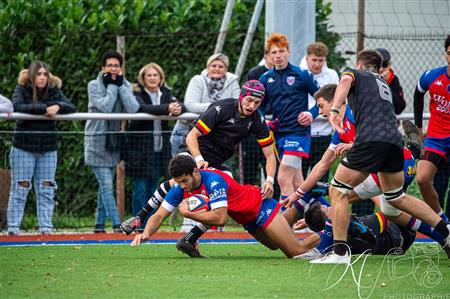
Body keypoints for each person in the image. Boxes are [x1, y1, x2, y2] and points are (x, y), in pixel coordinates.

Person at [312, 49, 450, 264]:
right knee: (396, 198)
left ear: (359, 64)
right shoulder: (383, 83)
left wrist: (335, 110)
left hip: (371, 140)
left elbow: (346, 80)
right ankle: (446, 228)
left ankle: (339, 253)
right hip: (395, 142)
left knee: (338, 191)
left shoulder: (356, 74)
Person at [282, 84, 447, 251]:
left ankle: (334, 251)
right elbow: (323, 164)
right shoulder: (340, 129)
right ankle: (444, 235)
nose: (319, 111)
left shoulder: (354, 114)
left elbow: (376, 139)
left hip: (396, 165)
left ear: (334, 101)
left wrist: (352, 145)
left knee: (338, 195)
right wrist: (298, 193)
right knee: (391, 209)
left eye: (321, 105)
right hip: (388, 167)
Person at [122, 80, 277, 257]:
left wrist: (270, 180)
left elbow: (270, 155)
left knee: (222, 196)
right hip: (193, 151)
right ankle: (139, 217)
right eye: (249, 100)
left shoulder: (257, 119)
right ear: (241, 96)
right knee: (177, 182)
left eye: (257, 103)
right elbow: (191, 136)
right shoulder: (222, 108)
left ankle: (190, 238)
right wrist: (199, 159)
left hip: (217, 162)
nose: (252, 106)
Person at [130, 154, 312, 258]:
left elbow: (220, 217)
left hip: (259, 205)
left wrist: (188, 213)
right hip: (247, 220)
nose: (183, 186)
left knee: (294, 251)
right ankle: (303, 207)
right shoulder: (180, 188)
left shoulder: (213, 180)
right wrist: (146, 233)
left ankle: (331, 234)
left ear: (195, 172)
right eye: (179, 182)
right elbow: (159, 215)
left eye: (185, 180)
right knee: (274, 246)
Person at [7, 61, 76, 235]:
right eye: (39, 74)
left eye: (45, 74)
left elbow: (71, 107)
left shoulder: (53, 90)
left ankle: (46, 228)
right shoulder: (21, 89)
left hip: (48, 149)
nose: (43, 77)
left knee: (46, 189)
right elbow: (18, 106)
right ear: (32, 75)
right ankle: (13, 229)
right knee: (20, 188)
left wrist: (58, 106)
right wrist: (45, 109)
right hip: (23, 147)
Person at [259, 32, 319, 205]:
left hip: (298, 133)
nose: (278, 56)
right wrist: (265, 122)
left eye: (281, 51)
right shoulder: (265, 78)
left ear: (289, 52)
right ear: (269, 56)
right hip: (279, 134)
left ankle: (284, 223)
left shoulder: (302, 74)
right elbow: (259, 108)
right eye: (274, 52)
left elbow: (322, 99)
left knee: (283, 177)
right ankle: (319, 214)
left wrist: (311, 114)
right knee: (297, 183)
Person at [123, 63, 185, 228]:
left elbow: (181, 105)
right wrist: (166, 108)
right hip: (140, 151)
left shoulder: (166, 93)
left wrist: (177, 108)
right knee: (140, 189)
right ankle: (136, 223)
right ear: (143, 78)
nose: (152, 78)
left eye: (155, 75)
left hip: (160, 150)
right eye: (148, 75)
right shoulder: (136, 93)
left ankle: (149, 224)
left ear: (160, 78)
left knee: (154, 190)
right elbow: (141, 108)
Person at [84, 50, 139, 233]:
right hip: (96, 142)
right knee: (107, 185)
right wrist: (113, 86)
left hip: (114, 143)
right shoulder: (93, 85)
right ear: (103, 68)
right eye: (110, 65)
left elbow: (132, 108)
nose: (113, 68)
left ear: (121, 68)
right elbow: (106, 107)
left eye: (116, 65)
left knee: (104, 186)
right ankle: (117, 224)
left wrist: (121, 84)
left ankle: (99, 225)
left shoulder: (125, 84)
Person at [170, 53, 240, 157]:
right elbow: (190, 105)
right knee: (182, 169)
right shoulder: (197, 80)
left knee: (210, 169)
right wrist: (219, 109)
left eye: (221, 66)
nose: (217, 69)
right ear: (207, 67)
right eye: (213, 65)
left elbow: (237, 104)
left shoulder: (233, 82)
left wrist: (217, 110)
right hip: (186, 131)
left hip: (216, 134)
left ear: (226, 69)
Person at [413, 35, 450, 223]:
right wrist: (419, 126)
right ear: (446, 54)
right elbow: (418, 95)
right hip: (436, 137)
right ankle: (441, 221)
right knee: (422, 178)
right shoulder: (431, 76)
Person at [299, 42, 339, 186]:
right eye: (314, 60)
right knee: (300, 179)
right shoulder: (299, 74)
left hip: (323, 136)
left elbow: (335, 102)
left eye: (320, 60)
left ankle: (319, 208)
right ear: (307, 58)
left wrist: (315, 114)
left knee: (321, 181)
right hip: (303, 135)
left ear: (325, 59)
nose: (317, 64)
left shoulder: (332, 75)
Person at [377, 48, 406, 115]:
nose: (381, 69)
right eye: (378, 65)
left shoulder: (393, 79)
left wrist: (384, 84)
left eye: (384, 65)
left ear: (389, 65)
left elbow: (399, 109)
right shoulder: (367, 79)